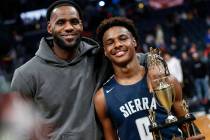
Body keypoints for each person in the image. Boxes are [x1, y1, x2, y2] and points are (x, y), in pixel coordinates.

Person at [10, 1, 147, 139]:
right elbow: (17, 131)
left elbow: (138, 58)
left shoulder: (98, 57)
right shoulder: (25, 75)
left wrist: (155, 64)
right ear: (49, 28)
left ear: (81, 25)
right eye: (61, 22)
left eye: (74, 22)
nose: (68, 27)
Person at [94, 17, 205, 140]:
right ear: (105, 51)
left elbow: (188, 126)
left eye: (123, 38)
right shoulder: (102, 98)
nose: (117, 45)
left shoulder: (167, 81)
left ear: (134, 42)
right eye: (110, 42)